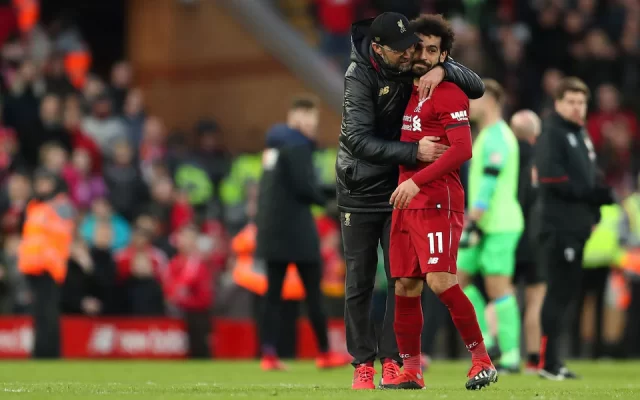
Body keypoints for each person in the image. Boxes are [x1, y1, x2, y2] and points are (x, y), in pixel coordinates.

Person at [337, 11, 484, 389]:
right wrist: (412, 155)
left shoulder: (425, 75)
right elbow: (357, 140)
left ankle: (401, 362)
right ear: (379, 48)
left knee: (414, 280)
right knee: (367, 282)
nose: (412, 55)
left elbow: (476, 90)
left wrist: (445, 69)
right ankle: (367, 365)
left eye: (420, 49)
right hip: (361, 189)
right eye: (407, 49)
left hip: (408, 191)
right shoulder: (359, 76)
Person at [382, 15, 496, 391]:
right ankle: (411, 370)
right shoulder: (404, 89)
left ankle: (481, 360)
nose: (424, 55)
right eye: (420, 46)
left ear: (443, 55)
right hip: (405, 200)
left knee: (441, 281)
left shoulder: (448, 92)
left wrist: (416, 181)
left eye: (434, 50)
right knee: (404, 286)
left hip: (436, 201)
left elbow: (462, 149)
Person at [256, 96, 350, 371]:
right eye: (309, 119)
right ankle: (323, 352)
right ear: (296, 117)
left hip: (271, 230)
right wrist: (332, 202)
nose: (312, 125)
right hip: (296, 230)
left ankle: (269, 354)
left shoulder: (274, 146)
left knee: (273, 295)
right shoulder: (297, 145)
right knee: (313, 293)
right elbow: (303, 187)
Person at [535, 77, 615, 380]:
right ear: (558, 103)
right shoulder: (553, 133)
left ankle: (555, 361)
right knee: (557, 293)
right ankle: (547, 363)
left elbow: (590, 176)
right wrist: (592, 194)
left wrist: (596, 203)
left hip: (576, 227)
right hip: (558, 227)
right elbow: (550, 177)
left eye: (581, 102)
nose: (577, 107)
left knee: (565, 295)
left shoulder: (579, 133)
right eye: (571, 101)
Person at [456, 80, 524, 373]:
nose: (466, 106)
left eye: (472, 100)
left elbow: (490, 180)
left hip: (497, 223)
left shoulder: (497, 136)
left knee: (498, 287)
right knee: (457, 279)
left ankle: (510, 354)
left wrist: (476, 215)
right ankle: (487, 339)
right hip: (485, 223)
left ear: (491, 101)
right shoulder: (485, 134)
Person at [17, 168, 75, 358]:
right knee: (39, 313)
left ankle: (48, 353)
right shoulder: (34, 205)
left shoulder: (61, 205)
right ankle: (41, 351)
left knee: (48, 312)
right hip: (32, 267)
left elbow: (63, 233)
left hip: (50, 266)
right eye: (39, 182)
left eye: (45, 182)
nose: (41, 186)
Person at [511, 109, 545, 373]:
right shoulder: (542, 160)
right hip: (536, 240)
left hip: (508, 235)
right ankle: (534, 359)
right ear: (536, 133)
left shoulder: (507, 157)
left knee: (504, 297)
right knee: (535, 302)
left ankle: (508, 356)